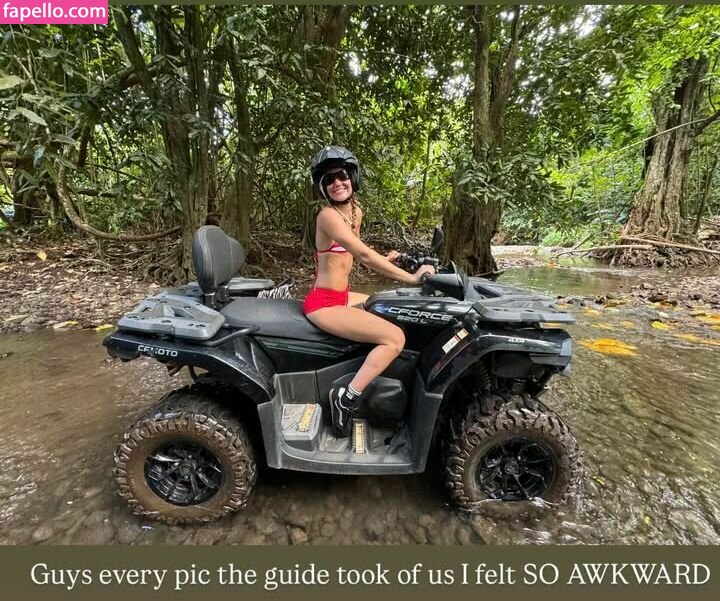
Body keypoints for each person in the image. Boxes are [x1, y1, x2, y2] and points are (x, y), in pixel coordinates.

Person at [303, 146, 435, 437]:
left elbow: (355, 252)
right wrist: (412, 278)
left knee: (391, 307)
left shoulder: (355, 212)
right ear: (322, 187)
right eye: (329, 179)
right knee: (395, 338)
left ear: (352, 177)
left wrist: (388, 260)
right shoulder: (327, 216)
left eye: (341, 176)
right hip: (323, 304)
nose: (337, 183)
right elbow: (363, 255)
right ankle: (346, 397)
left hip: (343, 296)